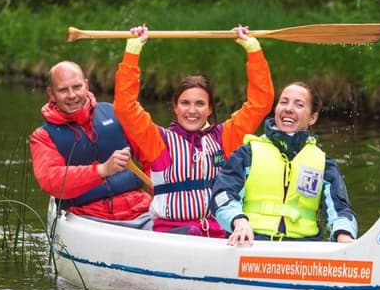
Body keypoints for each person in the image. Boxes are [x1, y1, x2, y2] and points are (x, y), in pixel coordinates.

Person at [113, 24, 274, 237]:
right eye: (185, 103)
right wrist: (132, 53)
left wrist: (252, 50)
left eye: (199, 104)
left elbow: (260, 103)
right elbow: (125, 107)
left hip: (218, 230)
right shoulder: (158, 140)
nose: (192, 111)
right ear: (175, 107)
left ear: (209, 109)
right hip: (173, 232)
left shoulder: (226, 137)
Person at [211, 81, 357, 245]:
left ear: (312, 118)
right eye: (284, 102)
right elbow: (221, 196)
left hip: (304, 248)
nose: (288, 108)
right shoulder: (247, 154)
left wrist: (343, 234)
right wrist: (238, 221)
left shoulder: (324, 164)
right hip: (251, 243)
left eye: (299, 104)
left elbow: (341, 209)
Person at [30, 60, 152, 227]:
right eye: (63, 90)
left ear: (86, 85)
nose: (72, 95)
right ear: (51, 94)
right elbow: (52, 180)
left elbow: (152, 158)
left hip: (141, 210)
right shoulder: (43, 137)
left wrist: (165, 197)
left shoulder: (116, 113)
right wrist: (102, 170)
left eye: (77, 87)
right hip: (87, 218)